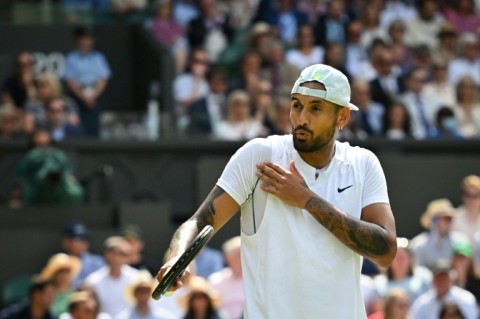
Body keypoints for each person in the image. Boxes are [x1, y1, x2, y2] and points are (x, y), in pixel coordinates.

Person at [156, 64, 397, 318]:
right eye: (297, 105)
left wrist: (308, 201)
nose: (301, 118)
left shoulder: (363, 163)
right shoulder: (259, 155)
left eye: (316, 108)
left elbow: (385, 252)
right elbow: (200, 221)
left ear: (343, 117)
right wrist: (175, 258)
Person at [63, 26, 111, 137]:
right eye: (84, 38)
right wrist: (83, 96)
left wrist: (93, 96)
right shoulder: (71, 58)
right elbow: (70, 81)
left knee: (96, 126)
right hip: (78, 97)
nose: (87, 42)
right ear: (77, 40)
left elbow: (103, 79)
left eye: (89, 39)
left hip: (96, 96)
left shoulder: (99, 57)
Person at [83, 236, 139, 317]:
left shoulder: (137, 278)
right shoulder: (92, 281)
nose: (124, 257)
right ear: (108, 254)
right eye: (121, 253)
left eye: (126, 254)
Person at [410, 199, 470, 271]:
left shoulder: (461, 241)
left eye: (451, 218)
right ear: (434, 220)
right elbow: (416, 273)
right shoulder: (418, 244)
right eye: (447, 218)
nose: (450, 222)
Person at [409, 260, 478, 319]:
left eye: (445, 277)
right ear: (433, 279)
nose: (442, 281)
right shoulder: (422, 302)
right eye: (438, 277)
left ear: (452, 279)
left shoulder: (465, 298)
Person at [208, 236, 243, 319]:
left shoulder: (257, 280)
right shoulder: (215, 280)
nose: (243, 258)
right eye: (239, 254)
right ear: (228, 258)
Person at [62, 221, 106, 288]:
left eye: (84, 239)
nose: (81, 243)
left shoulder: (98, 262)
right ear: (66, 242)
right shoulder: (60, 262)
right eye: (76, 240)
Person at [39, 253, 81, 317]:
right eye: (61, 271)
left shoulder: (77, 294)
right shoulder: (47, 295)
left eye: (67, 271)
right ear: (55, 274)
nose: (65, 274)